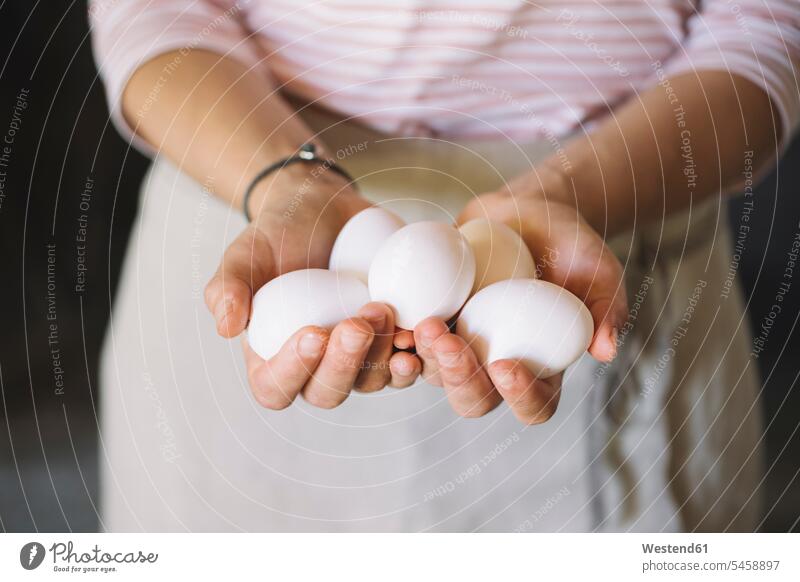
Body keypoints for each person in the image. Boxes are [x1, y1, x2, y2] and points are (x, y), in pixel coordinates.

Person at [90, 0, 799, 532]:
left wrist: (568, 193)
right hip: (258, 203)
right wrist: (284, 181)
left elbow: (763, 31)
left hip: (601, 217)